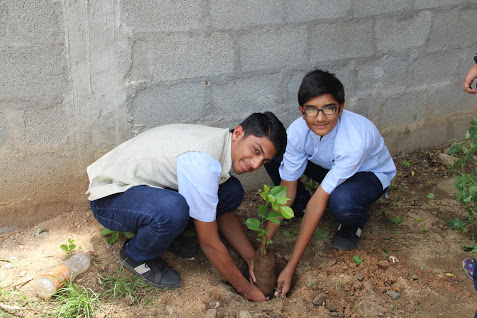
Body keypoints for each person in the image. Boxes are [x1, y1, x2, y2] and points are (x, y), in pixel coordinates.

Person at [86, 112, 287, 302]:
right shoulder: (203, 163)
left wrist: (252, 257)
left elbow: (223, 213)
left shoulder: (222, 144)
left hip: (146, 190)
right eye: (256, 151)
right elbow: (209, 243)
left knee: (230, 190)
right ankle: (136, 255)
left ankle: (166, 236)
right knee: (173, 210)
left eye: (264, 160)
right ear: (238, 133)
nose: (255, 164)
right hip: (111, 198)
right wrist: (246, 289)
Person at [262, 69, 396, 297]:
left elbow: (319, 202)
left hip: (367, 174)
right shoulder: (297, 131)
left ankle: (354, 222)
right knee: (273, 154)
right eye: (312, 110)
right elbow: (285, 190)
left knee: (341, 202)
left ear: (341, 108)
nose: (320, 118)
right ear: (301, 111)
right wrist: (263, 247)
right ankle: (301, 206)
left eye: (329, 108)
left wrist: (290, 267)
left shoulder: (353, 141)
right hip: (331, 166)